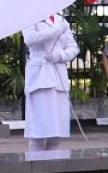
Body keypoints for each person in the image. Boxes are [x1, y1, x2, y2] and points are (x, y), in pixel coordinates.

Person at [21, 13, 79, 153]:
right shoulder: (31, 17)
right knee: (38, 132)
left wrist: (60, 55)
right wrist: (56, 30)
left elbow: (73, 47)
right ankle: (35, 168)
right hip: (40, 76)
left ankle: (54, 167)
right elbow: (30, 38)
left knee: (56, 133)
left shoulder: (61, 20)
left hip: (58, 77)